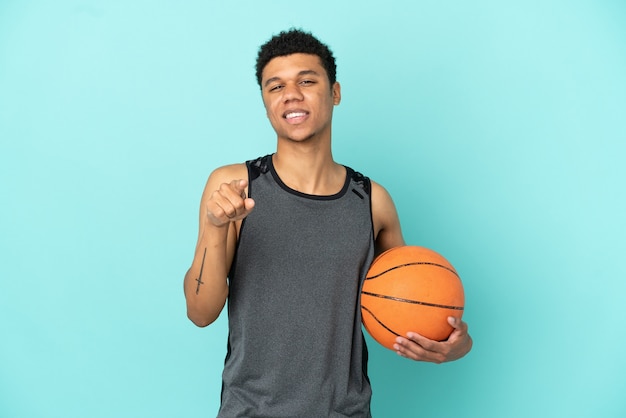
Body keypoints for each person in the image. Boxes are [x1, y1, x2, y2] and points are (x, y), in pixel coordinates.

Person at [184, 29, 472, 417]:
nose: (291, 94)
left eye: (307, 81)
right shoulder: (233, 186)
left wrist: (455, 345)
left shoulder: (373, 203)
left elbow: (404, 306)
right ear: (266, 102)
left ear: (334, 92)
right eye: (276, 86)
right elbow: (200, 313)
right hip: (250, 410)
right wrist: (216, 226)